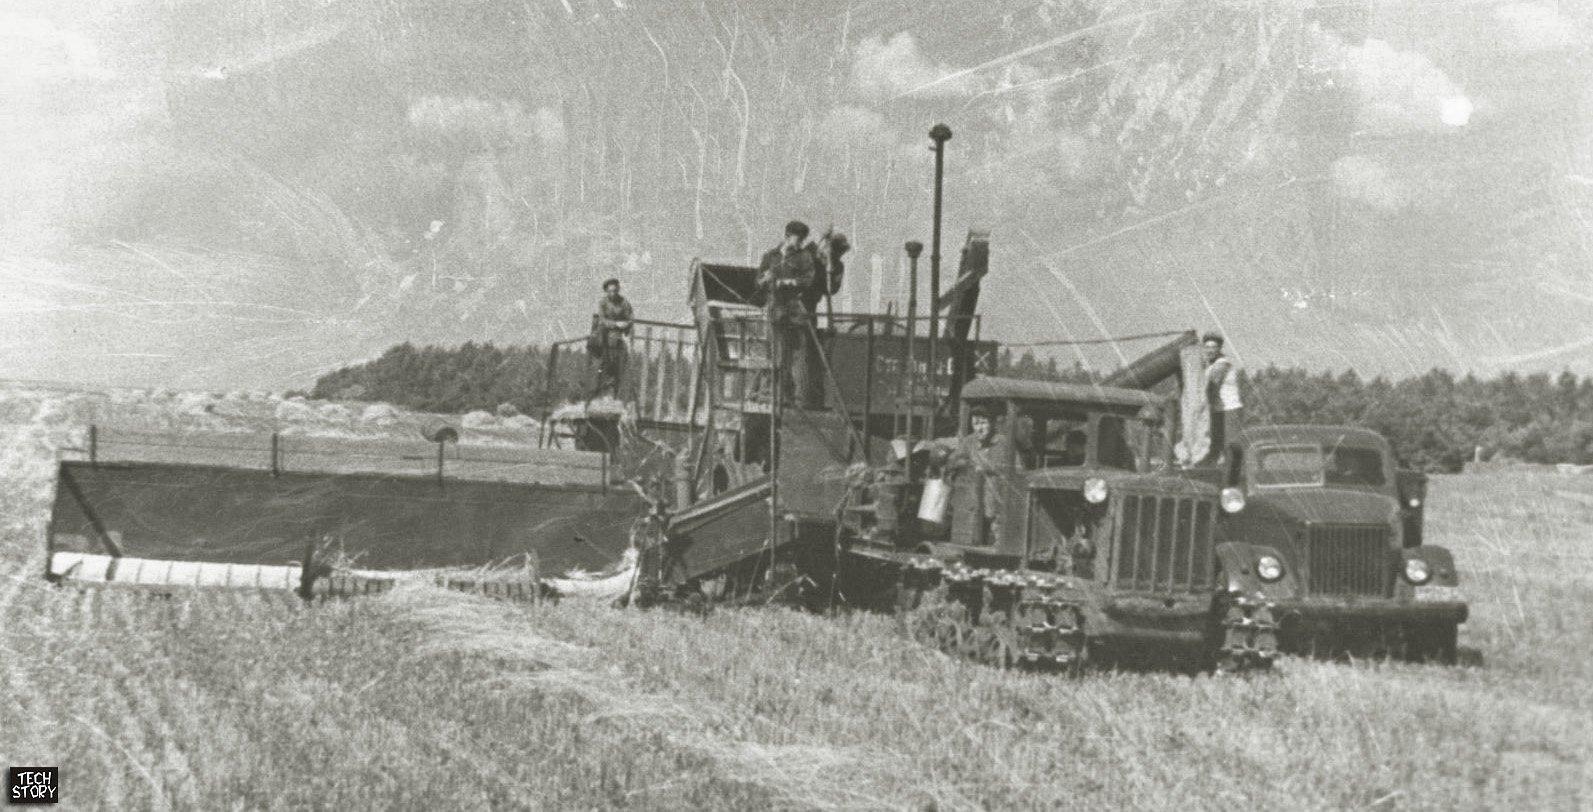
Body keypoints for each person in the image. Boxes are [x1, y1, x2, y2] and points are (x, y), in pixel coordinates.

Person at [757, 221, 822, 406]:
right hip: (774, 312)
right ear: (787, 236)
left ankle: (792, 399)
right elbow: (758, 282)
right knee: (774, 354)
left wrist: (787, 282)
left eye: (803, 239)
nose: (801, 243)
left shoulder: (804, 257)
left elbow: (808, 280)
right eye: (798, 239)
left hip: (795, 314)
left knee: (794, 357)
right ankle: (773, 395)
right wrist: (765, 279)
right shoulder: (770, 256)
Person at [1201, 332, 1243, 464]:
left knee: (1229, 445)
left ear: (1219, 349)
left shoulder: (1223, 363)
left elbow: (1213, 385)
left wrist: (1200, 406)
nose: (1210, 350)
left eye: (1213, 347)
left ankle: (1233, 471)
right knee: (1216, 444)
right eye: (1207, 347)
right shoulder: (1210, 365)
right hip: (1218, 409)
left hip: (1229, 409)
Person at [590, 278, 633, 399]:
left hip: (618, 334)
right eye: (610, 291)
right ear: (606, 291)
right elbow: (602, 319)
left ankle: (615, 385)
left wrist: (626, 325)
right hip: (604, 332)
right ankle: (601, 383)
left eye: (615, 291)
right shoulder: (603, 302)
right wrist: (616, 324)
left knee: (623, 355)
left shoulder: (624, 302)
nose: (613, 293)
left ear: (618, 290)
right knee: (603, 355)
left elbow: (630, 318)